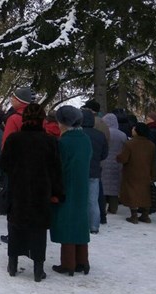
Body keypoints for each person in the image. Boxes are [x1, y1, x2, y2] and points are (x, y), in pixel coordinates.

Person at [0, 103, 63, 282]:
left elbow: (3, 164)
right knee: (38, 229)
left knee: (15, 225)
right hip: (41, 191)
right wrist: (57, 192)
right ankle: (38, 269)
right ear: (42, 119)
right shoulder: (49, 141)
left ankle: (12, 263)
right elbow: (55, 170)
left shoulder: (14, 140)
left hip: (18, 189)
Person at [50, 105, 92, 276]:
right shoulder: (85, 139)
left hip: (66, 186)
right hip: (82, 186)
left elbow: (58, 167)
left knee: (66, 223)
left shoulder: (64, 142)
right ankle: (83, 261)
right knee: (80, 222)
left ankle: (68, 264)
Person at [116, 123, 156, 224]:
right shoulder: (151, 145)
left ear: (137, 131)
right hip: (146, 172)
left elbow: (124, 158)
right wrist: (153, 175)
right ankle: (145, 215)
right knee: (145, 193)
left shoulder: (130, 144)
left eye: (134, 129)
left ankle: (134, 215)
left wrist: (118, 157)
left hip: (131, 172)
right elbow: (153, 161)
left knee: (132, 192)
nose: (132, 130)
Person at [81, 108, 108, 234]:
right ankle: (94, 226)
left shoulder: (79, 134)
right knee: (93, 200)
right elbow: (104, 154)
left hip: (80, 170)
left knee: (79, 198)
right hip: (95, 170)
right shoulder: (100, 135)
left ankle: (81, 223)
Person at [100, 113, 127, 214]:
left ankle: (102, 206)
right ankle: (113, 207)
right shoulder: (122, 134)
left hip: (104, 161)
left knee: (103, 185)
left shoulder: (104, 132)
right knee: (114, 186)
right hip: (117, 162)